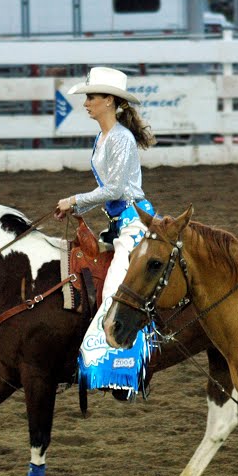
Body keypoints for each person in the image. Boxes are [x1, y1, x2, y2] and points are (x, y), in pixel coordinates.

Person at [54, 66, 157, 396]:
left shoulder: (121, 139)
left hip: (133, 224)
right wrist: (77, 207)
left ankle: (127, 373)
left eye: (92, 97)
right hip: (118, 223)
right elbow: (111, 190)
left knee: (117, 291)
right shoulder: (104, 137)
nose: (86, 103)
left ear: (110, 101)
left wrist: (75, 200)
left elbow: (114, 189)